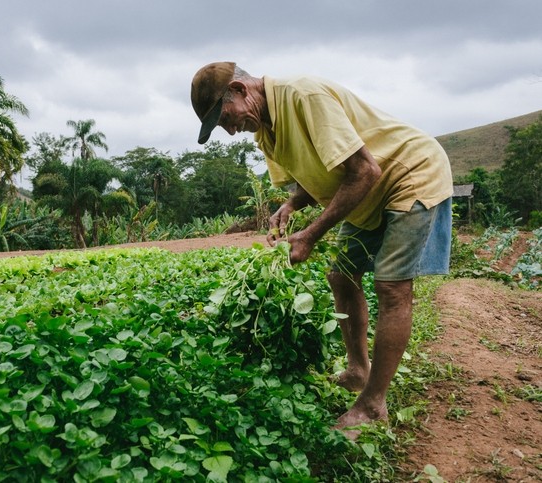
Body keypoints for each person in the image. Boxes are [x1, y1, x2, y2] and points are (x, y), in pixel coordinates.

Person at [190, 61, 453, 437]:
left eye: (224, 117)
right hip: (367, 191)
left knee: (391, 287)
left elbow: (364, 170)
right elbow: (320, 174)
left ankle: (373, 404)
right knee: (340, 275)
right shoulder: (265, 132)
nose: (230, 130)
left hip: (408, 174)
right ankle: (358, 371)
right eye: (221, 126)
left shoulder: (302, 95)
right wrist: (291, 205)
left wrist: (310, 235)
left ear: (239, 89)